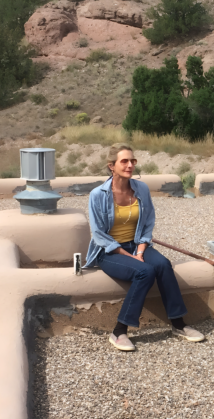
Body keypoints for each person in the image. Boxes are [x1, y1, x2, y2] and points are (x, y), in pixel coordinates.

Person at [86, 143, 205, 351]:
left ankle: (178, 324)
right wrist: (128, 255)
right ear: (111, 166)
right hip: (109, 251)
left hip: (136, 243)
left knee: (163, 264)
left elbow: (148, 222)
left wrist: (140, 251)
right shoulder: (98, 195)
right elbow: (98, 234)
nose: (130, 165)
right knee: (144, 272)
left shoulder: (141, 189)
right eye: (124, 161)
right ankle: (119, 331)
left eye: (133, 161)